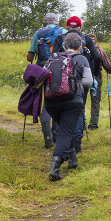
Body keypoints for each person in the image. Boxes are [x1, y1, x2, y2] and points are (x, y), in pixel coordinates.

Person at [45, 32, 93, 181]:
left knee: (66, 127)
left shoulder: (53, 58)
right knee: (65, 132)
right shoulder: (82, 58)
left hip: (51, 102)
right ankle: (55, 167)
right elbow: (88, 82)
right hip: (72, 102)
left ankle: (72, 160)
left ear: (64, 45)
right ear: (80, 46)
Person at [56, 17, 101, 156]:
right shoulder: (86, 38)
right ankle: (77, 143)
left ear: (67, 26)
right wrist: (95, 72)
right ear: (80, 27)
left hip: (62, 79)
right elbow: (97, 56)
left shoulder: (60, 38)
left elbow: (54, 57)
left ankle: (61, 138)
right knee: (78, 107)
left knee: (62, 108)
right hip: (81, 79)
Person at [27, 12, 66, 149]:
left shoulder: (38, 33)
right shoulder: (63, 32)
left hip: (42, 72)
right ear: (57, 22)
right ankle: (56, 135)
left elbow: (29, 57)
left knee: (44, 104)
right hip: (60, 71)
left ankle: (47, 139)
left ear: (44, 22)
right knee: (57, 101)